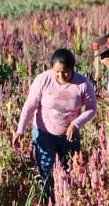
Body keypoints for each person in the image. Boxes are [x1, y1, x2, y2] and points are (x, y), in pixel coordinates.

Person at [16, 47, 98, 192]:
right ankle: (48, 203)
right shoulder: (43, 80)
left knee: (70, 171)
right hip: (44, 133)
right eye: (57, 72)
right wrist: (20, 130)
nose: (60, 76)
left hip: (69, 136)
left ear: (72, 68)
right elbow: (29, 106)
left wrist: (76, 124)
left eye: (65, 72)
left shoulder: (82, 84)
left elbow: (92, 109)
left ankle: (65, 202)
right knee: (46, 171)